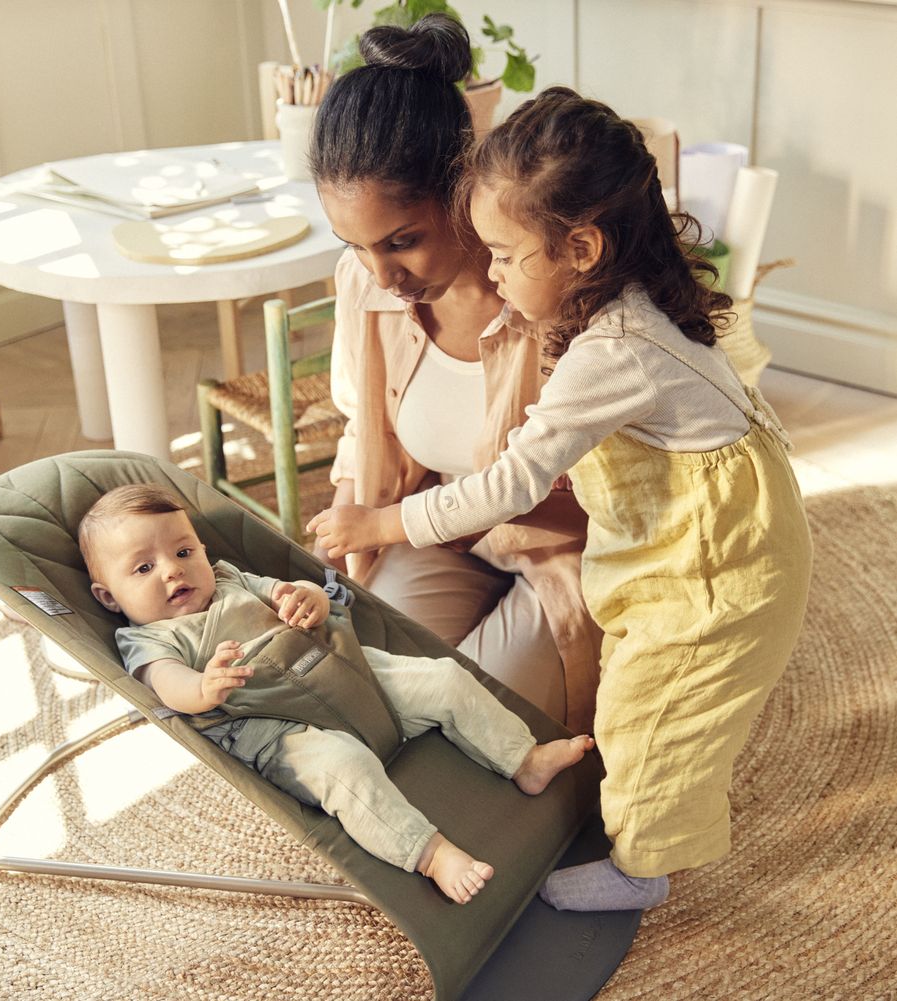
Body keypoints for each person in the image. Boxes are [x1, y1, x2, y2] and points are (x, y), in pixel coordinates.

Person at [308, 87, 813, 912]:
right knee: (385, 671)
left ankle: (640, 864)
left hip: (701, 559)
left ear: (578, 248)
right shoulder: (604, 301)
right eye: (355, 247)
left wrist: (382, 522)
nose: (492, 272)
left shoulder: (597, 344)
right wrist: (357, 527)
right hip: (656, 540)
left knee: (646, 711)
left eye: (500, 255)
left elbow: (511, 483)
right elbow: (367, 428)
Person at [77, 483, 594, 905]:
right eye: (143, 568)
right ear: (108, 596)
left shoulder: (229, 579)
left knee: (443, 678)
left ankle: (521, 758)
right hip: (280, 726)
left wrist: (308, 601)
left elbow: (289, 592)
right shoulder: (146, 639)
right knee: (346, 771)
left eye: (183, 551)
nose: (172, 569)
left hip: (341, 670)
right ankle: (430, 853)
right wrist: (203, 687)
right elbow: (166, 684)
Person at [308, 13, 601, 732]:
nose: (381, 274)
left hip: (567, 549)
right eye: (355, 245)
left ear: (463, 188)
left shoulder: (555, 295)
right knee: (374, 694)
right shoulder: (364, 283)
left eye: (401, 241)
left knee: (475, 726)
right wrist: (342, 540)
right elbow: (364, 428)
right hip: (434, 529)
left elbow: (610, 496)